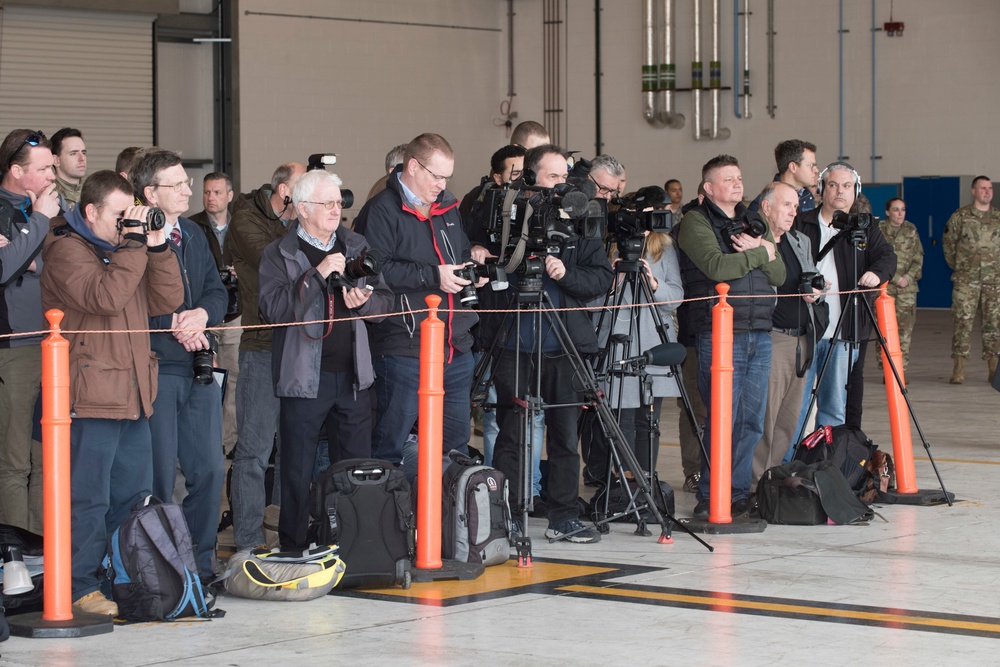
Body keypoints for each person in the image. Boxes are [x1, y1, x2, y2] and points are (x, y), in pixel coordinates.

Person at [40, 170, 183, 617]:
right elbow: (105, 297)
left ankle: (125, 577)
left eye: (132, 216)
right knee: (87, 499)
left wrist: (156, 247)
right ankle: (78, 585)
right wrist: (135, 245)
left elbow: (167, 300)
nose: (129, 224)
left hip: (134, 395)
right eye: (121, 216)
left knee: (130, 498)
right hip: (89, 397)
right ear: (90, 211)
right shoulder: (66, 251)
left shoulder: (128, 252)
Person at [259, 169, 392, 550]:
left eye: (339, 202)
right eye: (327, 203)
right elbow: (273, 310)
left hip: (353, 377)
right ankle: (295, 548)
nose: (337, 210)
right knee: (297, 471)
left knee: (354, 471)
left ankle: (353, 547)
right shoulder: (279, 253)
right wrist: (316, 275)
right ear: (302, 208)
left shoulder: (356, 244)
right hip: (303, 380)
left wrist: (365, 304)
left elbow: (385, 304)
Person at [488, 144, 613, 543]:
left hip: (564, 344)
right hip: (515, 343)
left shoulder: (581, 218)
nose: (562, 184)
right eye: (552, 176)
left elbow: (601, 279)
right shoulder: (508, 215)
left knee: (564, 435)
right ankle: (501, 516)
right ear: (531, 177)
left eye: (565, 176)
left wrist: (564, 274)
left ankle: (563, 515)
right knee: (511, 432)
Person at [353, 133, 482, 479]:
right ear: (412, 166)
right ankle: (389, 522)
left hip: (454, 346)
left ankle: (442, 523)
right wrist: (433, 276)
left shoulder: (448, 208)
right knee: (390, 444)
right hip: (404, 346)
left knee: (453, 445)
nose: (441, 185)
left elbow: (460, 253)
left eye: (447, 177)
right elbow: (376, 270)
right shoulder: (380, 211)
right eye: (435, 176)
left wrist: (472, 268)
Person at [132, 150, 227, 584]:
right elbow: (127, 307)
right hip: (158, 368)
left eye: (188, 183)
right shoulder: (131, 238)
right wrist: (173, 324)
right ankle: (157, 567)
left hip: (199, 367)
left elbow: (216, 291)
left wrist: (201, 317)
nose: (190, 190)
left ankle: (200, 564)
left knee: (209, 469)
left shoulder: (190, 232)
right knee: (158, 473)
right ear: (150, 192)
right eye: (178, 185)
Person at [675, 154, 785, 519]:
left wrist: (760, 251)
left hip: (759, 330)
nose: (738, 184)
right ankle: (711, 493)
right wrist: (760, 252)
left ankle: (735, 491)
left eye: (739, 177)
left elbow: (780, 274)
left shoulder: (754, 219)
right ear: (709, 188)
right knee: (722, 418)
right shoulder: (695, 220)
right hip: (719, 334)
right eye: (728, 179)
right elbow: (717, 266)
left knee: (751, 420)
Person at [225, 161, 306, 551]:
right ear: (284, 190)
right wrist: (298, 218)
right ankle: (248, 543)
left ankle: (296, 535)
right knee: (254, 452)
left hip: (301, 345)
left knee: (298, 450)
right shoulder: (244, 219)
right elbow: (282, 259)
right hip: (261, 344)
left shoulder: (294, 220)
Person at [792, 163, 896, 432]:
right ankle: (789, 465)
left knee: (834, 406)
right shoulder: (800, 223)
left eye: (847, 186)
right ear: (821, 189)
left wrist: (875, 272)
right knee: (796, 407)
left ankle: (829, 464)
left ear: (856, 191)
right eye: (834, 185)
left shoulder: (865, 228)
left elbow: (887, 257)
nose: (840, 191)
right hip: (805, 330)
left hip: (845, 331)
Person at [0, 129, 63, 534]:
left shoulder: (52, 209)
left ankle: (45, 552)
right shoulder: (31, 211)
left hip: (54, 345)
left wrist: (27, 255)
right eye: (43, 169)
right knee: (15, 459)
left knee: (48, 458)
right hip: (15, 347)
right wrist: (39, 221)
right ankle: (15, 554)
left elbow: (57, 266)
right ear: (17, 171)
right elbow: (5, 268)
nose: (52, 175)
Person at [751, 182, 827, 487]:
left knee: (788, 418)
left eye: (796, 207)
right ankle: (756, 483)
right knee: (764, 418)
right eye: (787, 206)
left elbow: (810, 280)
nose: (794, 212)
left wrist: (818, 296)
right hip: (773, 338)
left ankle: (772, 477)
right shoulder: (754, 241)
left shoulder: (799, 241)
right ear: (767, 208)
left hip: (802, 339)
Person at [190, 171, 241, 455]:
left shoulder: (241, 227)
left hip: (235, 312)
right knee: (203, 377)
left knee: (233, 381)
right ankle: (203, 444)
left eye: (217, 192)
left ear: (229, 195)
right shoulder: (191, 225)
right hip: (202, 312)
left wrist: (239, 273)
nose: (211, 197)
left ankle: (226, 444)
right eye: (207, 192)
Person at [943, 176, 1000, 384]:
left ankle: (994, 371)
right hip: (966, 281)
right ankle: (959, 370)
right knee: (962, 324)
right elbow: (948, 244)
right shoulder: (961, 216)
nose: (987, 191)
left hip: (994, 282)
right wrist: (961, 267)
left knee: (994, 326)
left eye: (990, 188)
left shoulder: (998, 217)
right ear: (973, 191)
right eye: (983, 188)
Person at [877, 198, 922, 375]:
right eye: (896, 210)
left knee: (905, 331)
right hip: (885, 288)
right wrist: (894, 277)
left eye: (903, 209)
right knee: (884, 331)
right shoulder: (879, 230)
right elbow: (873, 258)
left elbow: (918, 257)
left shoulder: (911, 230)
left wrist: (909, 277)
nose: (900, 213)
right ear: (888, 212)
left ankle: (901, 370)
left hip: (907, 290)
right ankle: (887, 370)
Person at [50, 127, 87, 209]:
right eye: (73, 153)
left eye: (83, 153)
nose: (82, 158)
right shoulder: (49, 195)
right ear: (56, 160)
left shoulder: (92, 193)